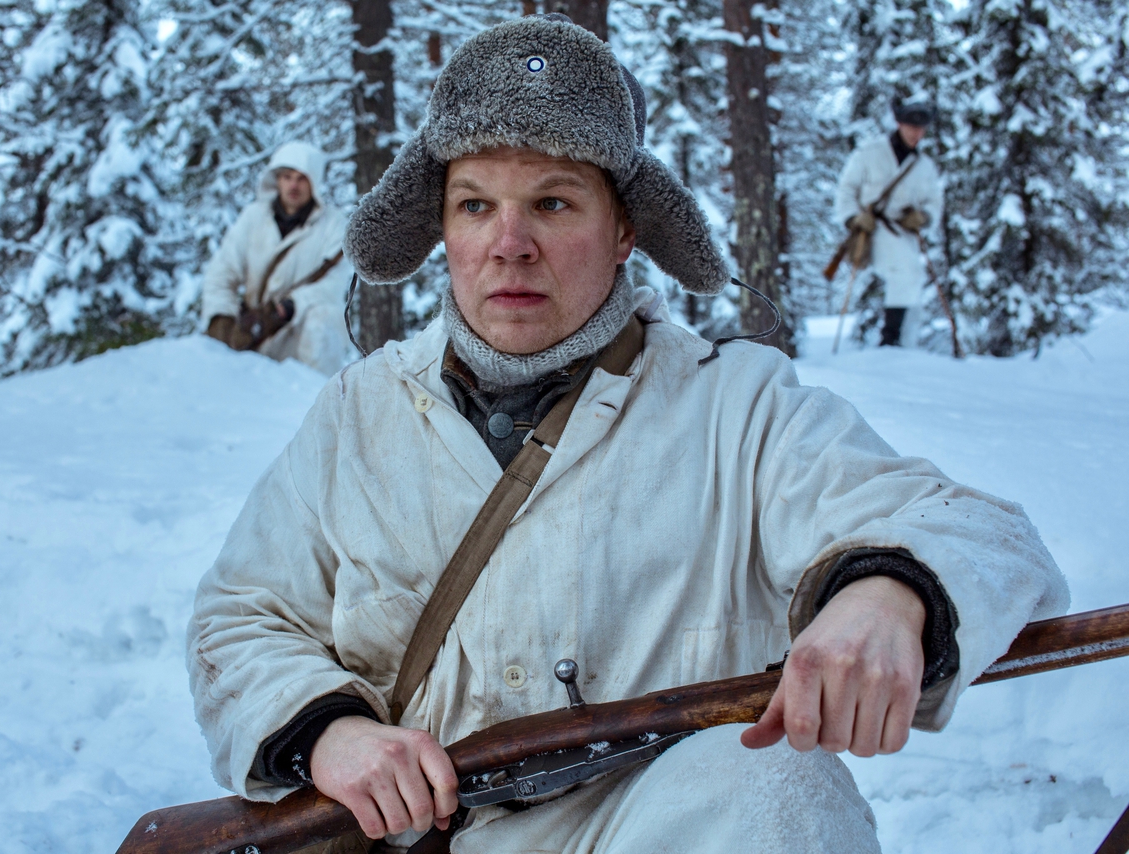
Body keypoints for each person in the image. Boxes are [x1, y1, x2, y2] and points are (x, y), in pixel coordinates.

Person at [188, 17, 1066, 854]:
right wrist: (330, 732)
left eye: (555, 202)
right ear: (442, 229)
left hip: (660, 831)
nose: (510, 243)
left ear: (624, 232)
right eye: (474, 205)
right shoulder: (355, 414)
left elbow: (981, 532)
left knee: (777, 786)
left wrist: (890, 594)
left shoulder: (738, 406)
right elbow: (240, 617)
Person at [200, 141, 355, 374]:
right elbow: (223, 270)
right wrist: (221, 317)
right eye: (287, 177)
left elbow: (333, 285)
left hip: (295, 333)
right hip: (251, 331)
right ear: (277, 180)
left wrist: (293, 306)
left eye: (301, 178)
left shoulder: (334, 225)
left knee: (323, 320)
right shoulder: (254, 217)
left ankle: (318, 397)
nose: (293, 185)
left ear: (313, 182)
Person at [835, 97, 944, 347]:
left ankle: (901, 341)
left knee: (910, 278)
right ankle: (891, 339)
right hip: (872, 229)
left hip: (905, 232)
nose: (917, 133)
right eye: (911, 126)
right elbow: (846, 189)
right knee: (905, 274)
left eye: (921, 128)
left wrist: (923, 217)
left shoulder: (924, 165)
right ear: (899, 124)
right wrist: (853, 218)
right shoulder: (869, 153)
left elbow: (934, 201)